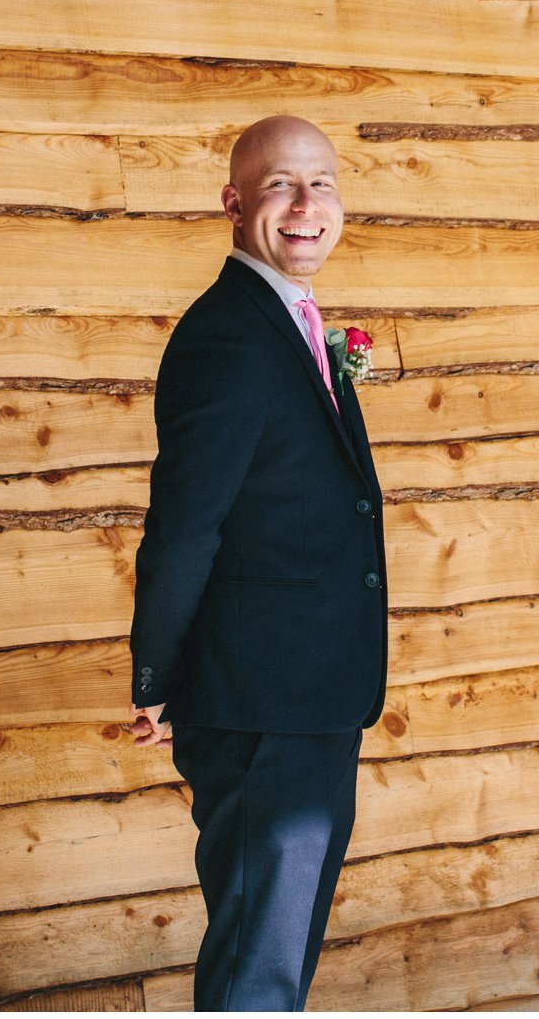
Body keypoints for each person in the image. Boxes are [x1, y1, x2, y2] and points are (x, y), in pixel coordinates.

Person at [127, 116, 388, 1011]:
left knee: (275, 962)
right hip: (262, 705)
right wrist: (160, 676)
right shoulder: (225, 337)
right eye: (281, 184)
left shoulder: (290, 323)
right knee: (257, 970)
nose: (308, 204)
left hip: (307, 695)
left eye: (323, 182)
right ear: (234, 204)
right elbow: (184, 526)